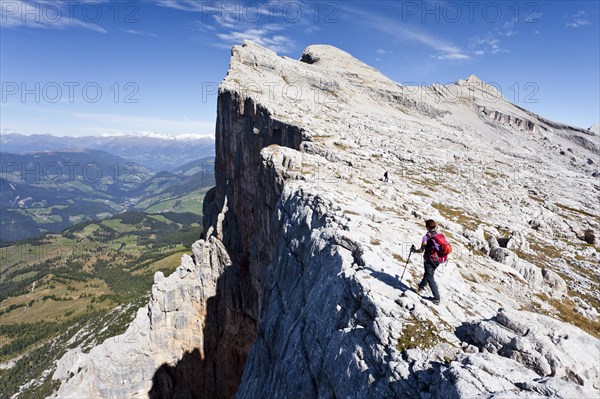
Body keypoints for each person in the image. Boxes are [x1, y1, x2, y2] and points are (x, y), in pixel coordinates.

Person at [411, 219, 441, 305]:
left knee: (430, 277)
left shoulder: (426, 237)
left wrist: (414, 251)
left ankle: (436, 298)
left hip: (429, 260)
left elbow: (421, 250)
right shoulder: (438, 235)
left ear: (427, 227)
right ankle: (421, 287)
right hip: (438, 260)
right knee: (428, 273)